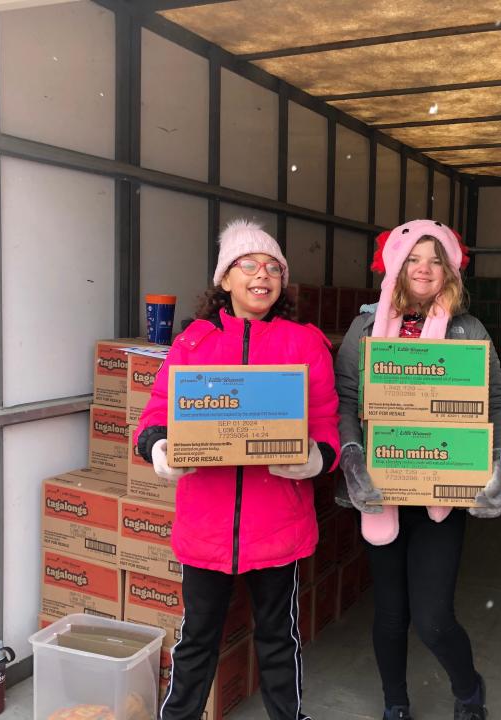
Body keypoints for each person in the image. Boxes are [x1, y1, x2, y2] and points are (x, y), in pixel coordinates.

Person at [134, 219, 340, 720]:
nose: (261, 275)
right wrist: (159, 446)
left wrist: (312, 457)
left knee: (277, 639)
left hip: (278, 526)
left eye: (273, 267)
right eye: (248, 265)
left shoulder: (304, 344)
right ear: (224, 279)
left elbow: (328, 426)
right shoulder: (193, 345)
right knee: (196, 639)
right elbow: (156, 413)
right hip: (206, 526)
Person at [334, 219, 501, 720]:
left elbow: (495, 402)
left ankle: (468, 689)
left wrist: (500, 463)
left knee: (434, 619)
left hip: (441, 492)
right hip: (380, 493)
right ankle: (396, 704)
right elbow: (345, 398)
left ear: (450, 271)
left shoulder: (468, 330)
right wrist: (352, 457)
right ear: (396, 265)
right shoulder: (364, 328)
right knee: (391, 616)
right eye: (414, 257)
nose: (424, 268)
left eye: (436, 260)